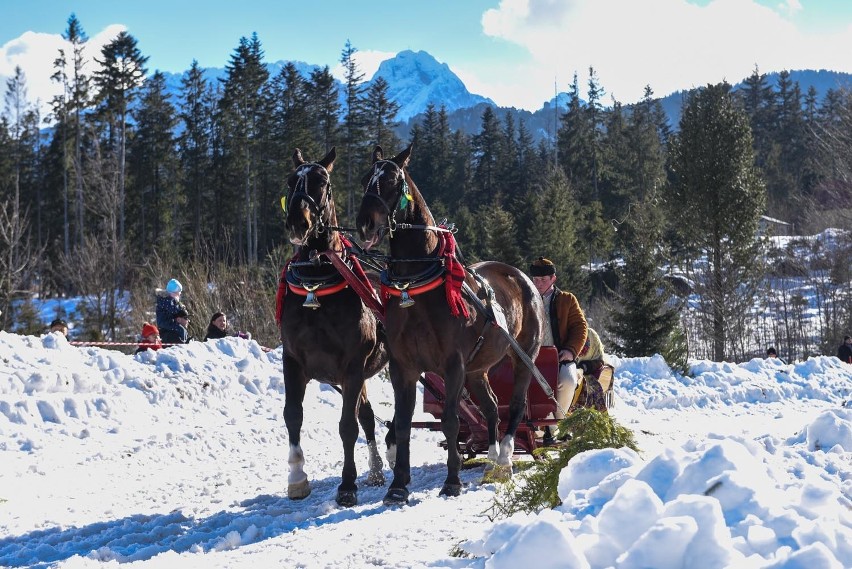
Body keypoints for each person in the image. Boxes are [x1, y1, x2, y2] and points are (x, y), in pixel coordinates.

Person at [529, 257, 588, 441]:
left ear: (553, 278)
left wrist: (570, 350)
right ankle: (538, 427)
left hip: (560, 356)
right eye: (535, 280)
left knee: (568, 381)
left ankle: (558, 424)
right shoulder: (524, 300)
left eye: (543, 280)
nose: (538, 284)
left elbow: (580, 326)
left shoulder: (567, 300)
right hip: (530, 358)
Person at [575, 327, 611, 412]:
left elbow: (600, 360)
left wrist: (586, 366)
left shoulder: (591, 334)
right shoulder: (565, 333)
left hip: (588, 371)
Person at [156, 278, 189, 345]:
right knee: (180, 329)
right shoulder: (166, 301)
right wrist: (180, 308)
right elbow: (173, 310)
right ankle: (183, 342)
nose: (179, 294)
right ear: (173, 292)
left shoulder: (172, 301)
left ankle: (185, 341)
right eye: (178, 292)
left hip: (169, 324)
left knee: (182, 329)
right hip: (165, 326)